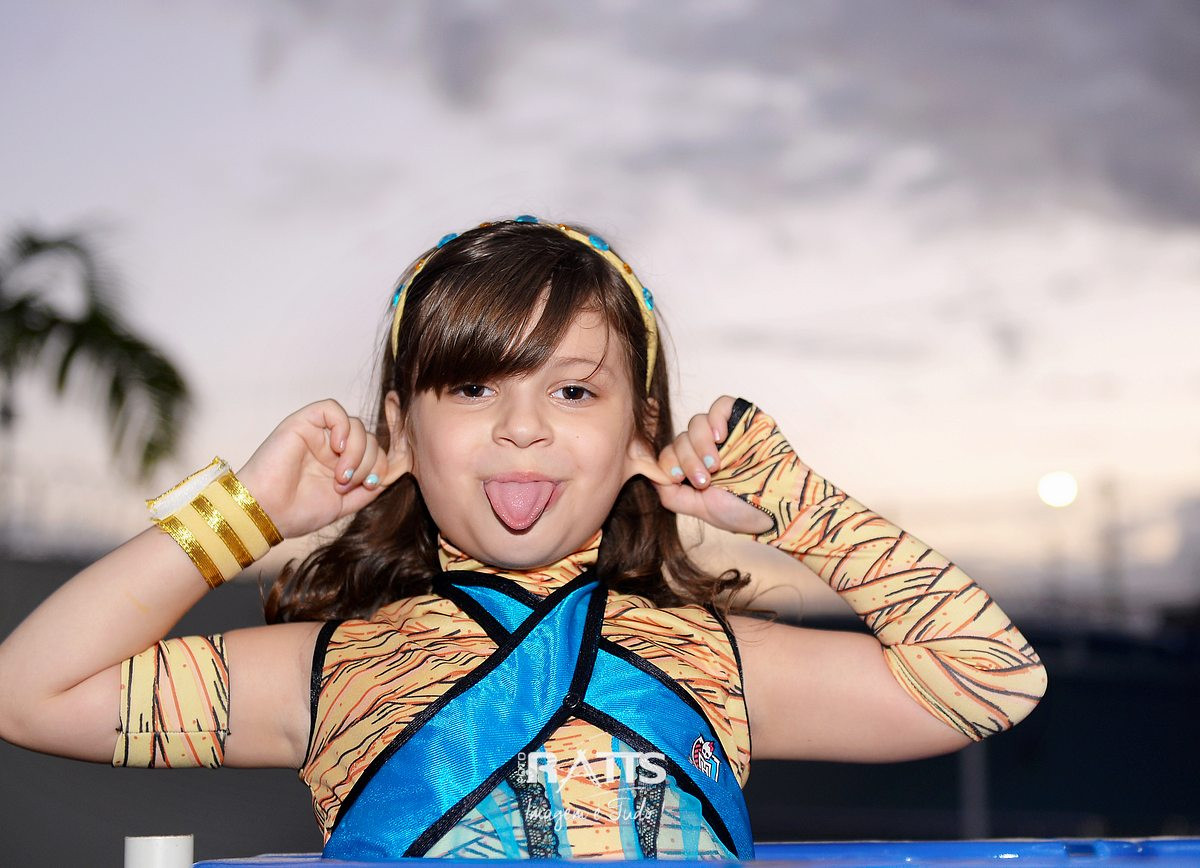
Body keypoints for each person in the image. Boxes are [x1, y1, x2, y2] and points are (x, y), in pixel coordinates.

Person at [0, 216, 1047, 861]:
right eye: (471, 387)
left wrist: (799, 506)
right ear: (401, 431)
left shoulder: (721, 660)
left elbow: (990, 679)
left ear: (640, 431)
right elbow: (26, 693)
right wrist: (244, 517)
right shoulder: (322, 671)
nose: (523, 426)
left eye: (575, 390)